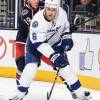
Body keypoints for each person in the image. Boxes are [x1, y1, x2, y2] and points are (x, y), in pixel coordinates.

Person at [10, 0, 92, 100]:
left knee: (63, 64)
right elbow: (41, 35)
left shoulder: (54, 9)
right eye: (48, 9)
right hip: (30, 42)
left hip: (49, 41)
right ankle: (20, 91)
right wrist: (53, 55)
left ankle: (75, 90)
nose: (50, 12)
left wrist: (66, 32)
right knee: (26, 66)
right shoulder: (29, 15)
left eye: (53, 9)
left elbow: (61, 24)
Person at [15, 0, 44, 87]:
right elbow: (35, 28)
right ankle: (19, 87)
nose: (36, 1)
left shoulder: (44, 6)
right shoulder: (25, 12)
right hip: (22, 42)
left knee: (56, 61)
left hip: (36, 42)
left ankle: (71, 86)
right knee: (21, 64)